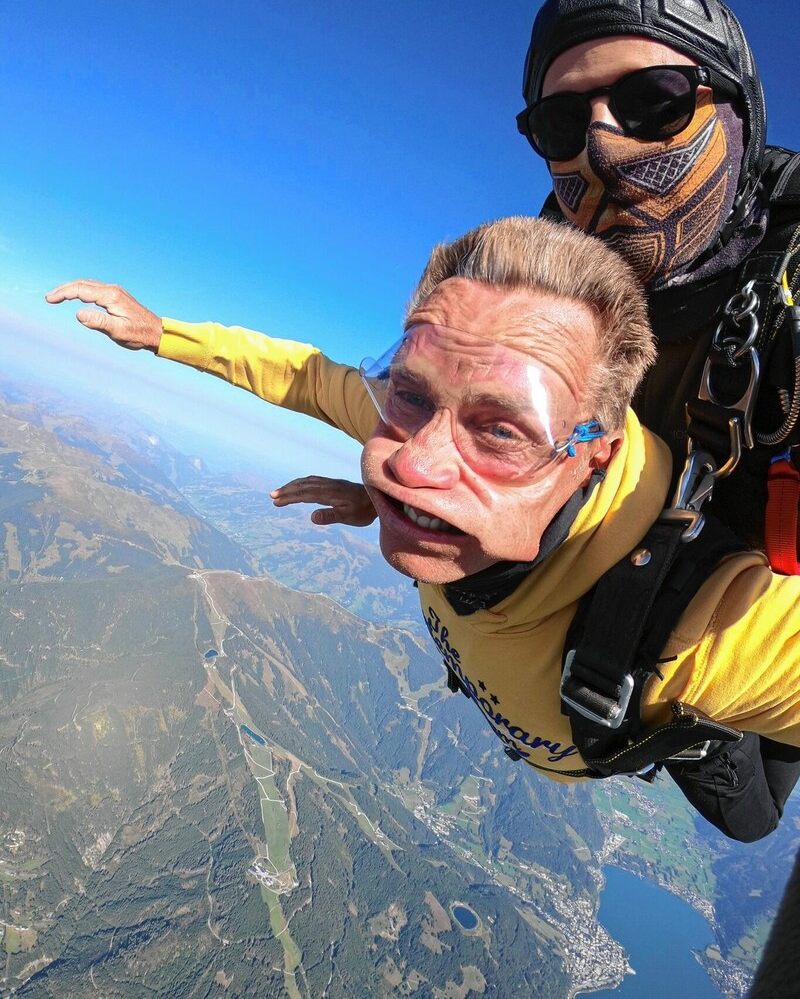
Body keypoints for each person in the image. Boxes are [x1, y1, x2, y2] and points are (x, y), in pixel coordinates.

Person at [46, 216, 800, 842]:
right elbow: (308, 376)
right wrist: (162, 333)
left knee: (751, 820)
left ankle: (716, 742)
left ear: (591, 454)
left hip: (691, 703)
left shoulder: (708, 627)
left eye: (500, 430)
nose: (413, 463)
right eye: (409, 392)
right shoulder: (412, 435)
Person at [272, 0, 800, 839]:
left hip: (738, 605)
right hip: (639, 579)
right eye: (563, 120)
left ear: (735, 112)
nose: (601, 141)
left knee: (747, 804)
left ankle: (705, 743)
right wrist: (410, 489)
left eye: (656, 101)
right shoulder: (544, 292)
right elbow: (453, 418)